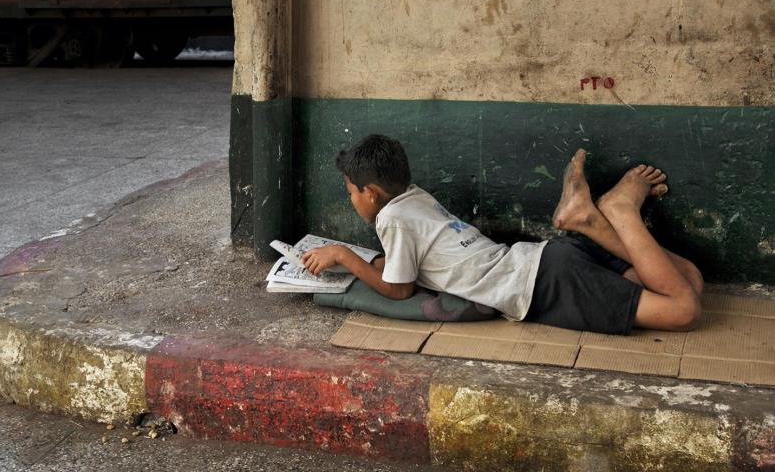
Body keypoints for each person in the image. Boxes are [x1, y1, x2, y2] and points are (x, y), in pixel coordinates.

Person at [301, 134, 703, 335]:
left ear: (370, 193)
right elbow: (408, 265)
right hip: (546, 258)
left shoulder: (392, 219)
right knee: (690, 281)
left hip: (543, 285)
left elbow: (399, 290)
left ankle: (619, 211)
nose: (352, 200)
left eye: (350, 193)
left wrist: (343, 255)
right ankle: (589, 223)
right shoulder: (414, 197)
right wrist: (371, 261)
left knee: (683, 310)